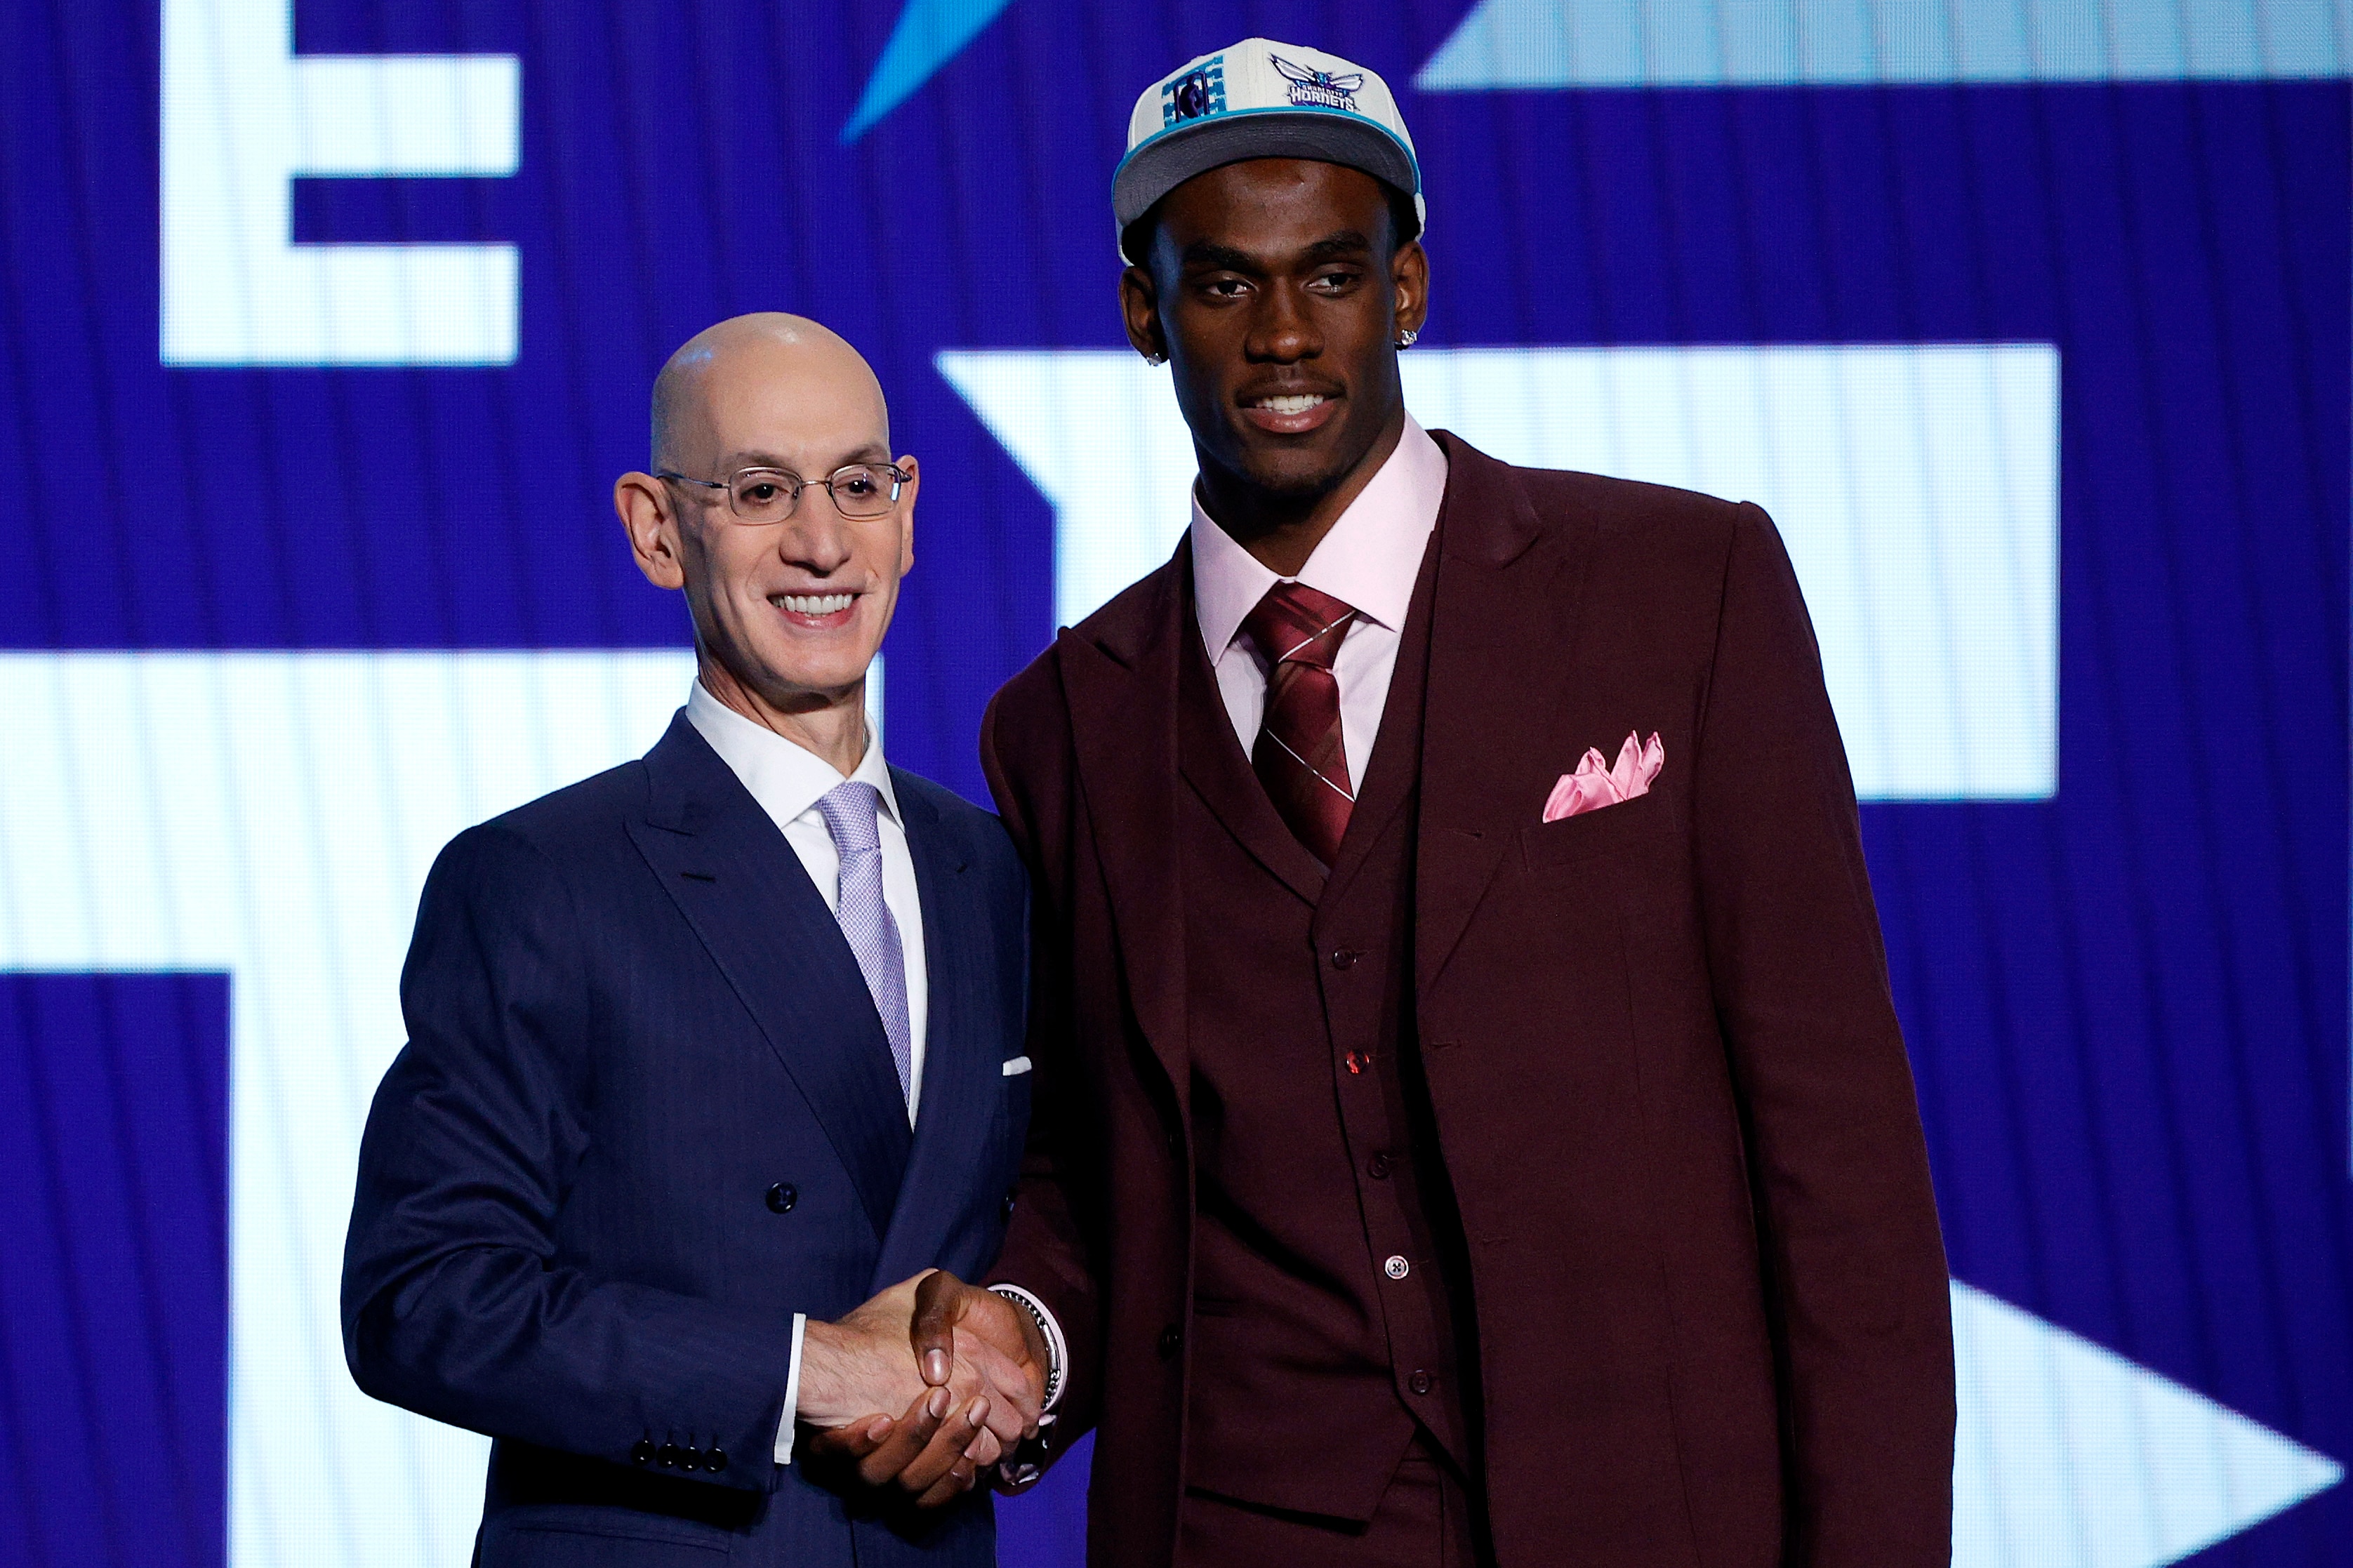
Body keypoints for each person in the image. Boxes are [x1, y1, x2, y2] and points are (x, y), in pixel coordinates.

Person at [900, 40, 1956, 1568]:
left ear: (1404, 290)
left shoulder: (1682, 590)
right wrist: (1022, 1338)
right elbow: (1089, 1162)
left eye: (1331, 276)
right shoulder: (1063, 725)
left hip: (1649, 1517)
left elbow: (1837, 1151)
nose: (1282, 336)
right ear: (1142, 313)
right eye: (1223, 284)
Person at [341, 313, 1045, 1567]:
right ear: (658, 529)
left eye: (857, 485)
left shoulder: (993, 872)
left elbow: (1063, 1214)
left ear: (907, 511)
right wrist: (802, 1371)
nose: (822, 541)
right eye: (761, 490)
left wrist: (1020, 1348)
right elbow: (423, 1295)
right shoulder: (541, 879)